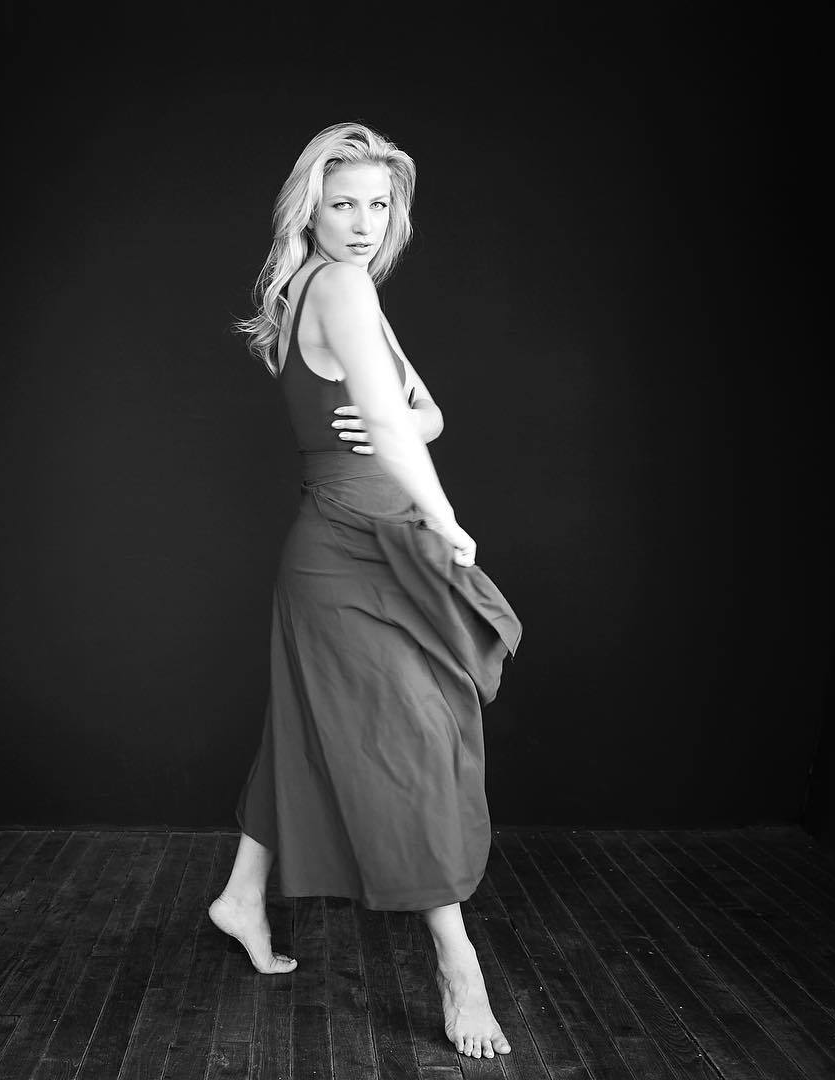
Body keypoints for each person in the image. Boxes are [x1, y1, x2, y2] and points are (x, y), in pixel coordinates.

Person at [210, 121, 522, 1060]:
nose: (362, 222)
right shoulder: (339, 287)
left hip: (363, 542)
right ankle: (458, 965)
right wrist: (446, 515)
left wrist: (405, 424)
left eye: (378, 204)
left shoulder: (341, 289)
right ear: (309, 210)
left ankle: (240, 896)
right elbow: (391, 428)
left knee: (311, 727)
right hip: (350, 547)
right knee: (405, 745)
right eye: (342, 203)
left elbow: (424, 413)